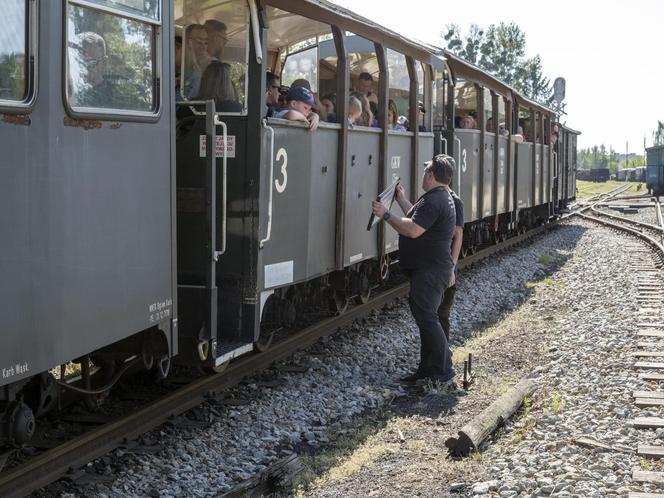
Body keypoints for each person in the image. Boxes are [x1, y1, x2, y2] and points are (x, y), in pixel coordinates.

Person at [371, 154, 457, 386]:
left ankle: (444, 369)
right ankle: (427, 369)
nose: (423, 174)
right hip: (431, 267)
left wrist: (386, 214)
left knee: (427, 318)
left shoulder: (434, 200)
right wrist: (401, 199)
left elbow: (414, 230)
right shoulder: (440, 196)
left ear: (431, 174)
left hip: (430, 269)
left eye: (425, 170)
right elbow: (418, 219)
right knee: (427, 318)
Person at [437, 186, 464, 343]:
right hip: (437, 266)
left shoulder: (455, 201)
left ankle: (444, 357)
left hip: (446, 267)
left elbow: (458, 235)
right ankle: (436, 357)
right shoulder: (436, 197)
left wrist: (451, 269)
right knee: (434, 315)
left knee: (441, 314)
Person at [182, 24, 209, 99]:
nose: (203, 45)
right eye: (199, 40)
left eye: (206, 42)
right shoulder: (179, 65)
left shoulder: (209, 65)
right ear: (188, 41)